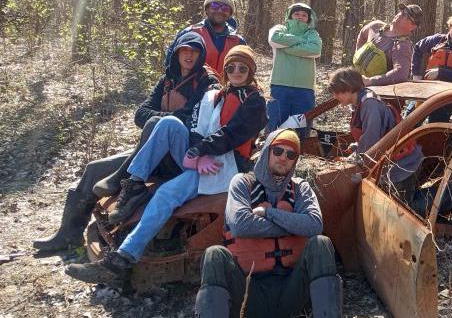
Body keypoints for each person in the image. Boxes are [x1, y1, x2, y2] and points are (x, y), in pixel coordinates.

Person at [64, 46, 267, 285]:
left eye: (243, 68)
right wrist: (197, 152)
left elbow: (232, 134)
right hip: (203, 156)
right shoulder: (217, 95)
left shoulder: (255, 102)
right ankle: (136, 182)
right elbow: (195, 128)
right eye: (231, 67)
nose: (236, 71)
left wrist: (199, 151)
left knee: (166, 193)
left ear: (250, 71)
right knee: (168, 123)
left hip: (226, 164)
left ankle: (121, 259)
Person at [32, 32, 218, 252]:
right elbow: (140, 114)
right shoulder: (167, 80)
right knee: (93, 170)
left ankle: (123, 177)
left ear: (202, 55)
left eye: (195, 51)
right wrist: (159, 120)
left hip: (180, 155)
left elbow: (191, 118)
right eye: (184, 50)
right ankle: (68, 235)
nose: (189, 55)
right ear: (176, 53)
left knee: (160, 123)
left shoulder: (207, 81)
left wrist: (160, 121)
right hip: (151, 149)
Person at [194, 129, 342, 317]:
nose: (283, 158)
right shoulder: (241, 184)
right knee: (214, 254)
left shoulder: (300, 188)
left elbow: (314, 225)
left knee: (321, 244)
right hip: (248, 293)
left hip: (292, 290)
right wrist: (293, 226)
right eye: (278, 151)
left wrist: (268, 213)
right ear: (267, 152)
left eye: (290, 154)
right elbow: (241, 226)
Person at [328, 67, 423, 205]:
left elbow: (370, 144)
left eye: (337, 92)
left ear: (348, 88)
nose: (335, 97)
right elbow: (375, 135)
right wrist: (356, 147)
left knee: (404, 210)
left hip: (403, 165)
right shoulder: (359, 104)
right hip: (390, 163)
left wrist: (349, 163)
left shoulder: (369, 105)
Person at [267, 3, 322, 136]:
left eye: (304, 15)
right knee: (276, 124)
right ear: (290, 15)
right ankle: (271, 152)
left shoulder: (312, 33)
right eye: (296, 14)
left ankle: (298, 153)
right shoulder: (279, 29)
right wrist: (302, 41)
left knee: (301, 125)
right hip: (280, 85)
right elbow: (274, 39)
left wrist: (286, 47)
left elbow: (315, 50)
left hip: (305, 88)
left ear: (308, 19)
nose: (300, 17)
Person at [165, 0, 246, 76]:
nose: (219, 10)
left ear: (230, 14)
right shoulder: (190, 33)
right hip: (192, 88)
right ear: (206, 10)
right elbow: (170, 65)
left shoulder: (238, 42)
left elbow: (246, 72)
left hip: (226, 89)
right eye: (214, 6)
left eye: (225, 8)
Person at [353, 4, 422, 86]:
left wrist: (370, 81)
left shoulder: (402, 46)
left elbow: (401, 74)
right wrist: (359, 54)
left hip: (377, 94)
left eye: (405, 15)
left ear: (412, 26)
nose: (399, 14)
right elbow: (362, 33)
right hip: (355, 82)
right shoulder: (375, 26)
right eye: (401, 12)